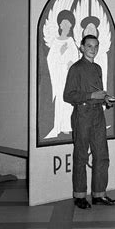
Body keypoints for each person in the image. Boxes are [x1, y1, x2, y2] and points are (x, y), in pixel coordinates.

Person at [63, 34, 115, 209]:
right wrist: (91, 96)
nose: (92, 49)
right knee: (81, 155)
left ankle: (99, 194)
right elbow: (68, 95)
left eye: (95, 46)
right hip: (83, 114)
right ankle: (80, 196)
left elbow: (97, 93)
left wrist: (105, 99)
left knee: (102, 155)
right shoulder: (76, 68)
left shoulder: (98, 68)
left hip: (97, 114)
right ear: (81, 47)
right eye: (89, 46)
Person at [44, 10, 80, 139]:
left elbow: (75, 58)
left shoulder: (71, 41)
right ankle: (60, 125)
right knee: (61, 99)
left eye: (69, 24)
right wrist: (61, 53)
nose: (67, 26)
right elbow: (50, 60)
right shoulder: (56, 42)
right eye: (64, 23)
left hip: (69, 75)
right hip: (59, 76)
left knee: (69, 100)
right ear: (60, 25)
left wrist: (71, 63)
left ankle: (68, 126)